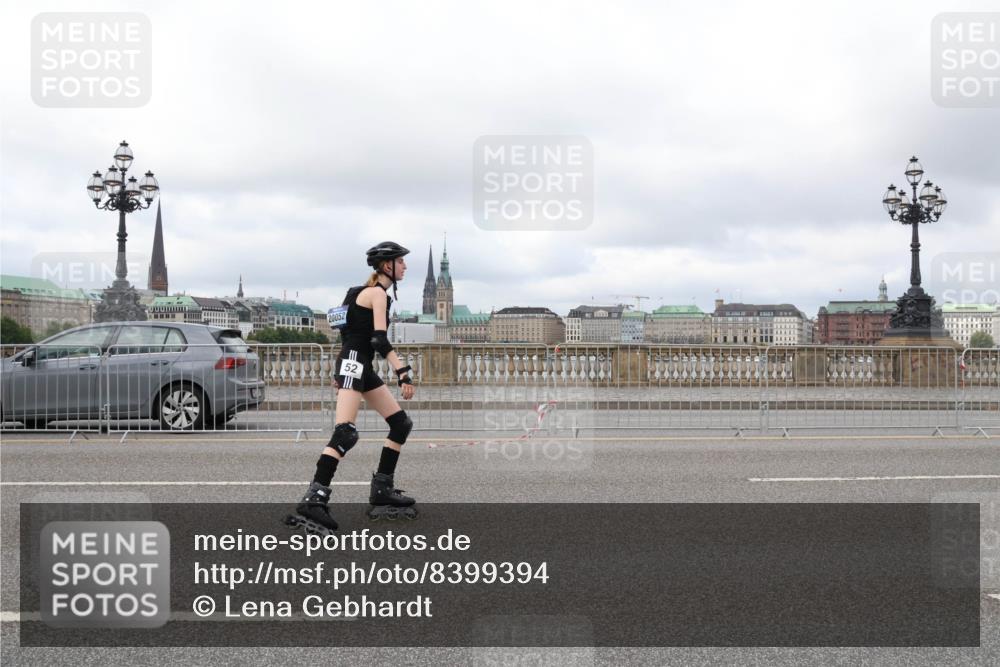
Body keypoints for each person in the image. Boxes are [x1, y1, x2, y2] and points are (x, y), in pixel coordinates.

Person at [285, 241, 417, 534]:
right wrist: (402, 372)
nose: (405, 266)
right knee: (345, 432)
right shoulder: (377, 294)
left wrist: (341, 368)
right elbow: (379, 340)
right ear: (387, 266)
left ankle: (382, 488)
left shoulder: (356, 292)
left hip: (357, 364)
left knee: (400, 424)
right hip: (356, 363)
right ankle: (314, 499)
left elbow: (346, 334)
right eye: (401, 261)